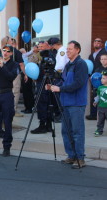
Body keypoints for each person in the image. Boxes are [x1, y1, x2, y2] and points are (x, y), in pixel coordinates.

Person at [49, 40, 88, 169]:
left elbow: (78, 83)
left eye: (70, 49)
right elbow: (64, 82)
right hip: (65, 103)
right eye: (67, 49)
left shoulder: (81, 64)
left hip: (76, 104)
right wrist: (54, 86)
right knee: (66, 131)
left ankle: (80, 158)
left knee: (77, 131)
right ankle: (71, 155)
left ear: (77, 50)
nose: (67, 51)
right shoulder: (68, 65)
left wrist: (60, 89)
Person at [30, 41, 56, 134]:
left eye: (42, 46)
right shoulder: (40, 55)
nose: (40, 48)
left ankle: (43, 126)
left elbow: (50, 68)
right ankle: (47, 125)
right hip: (42, 82)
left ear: (47, 46)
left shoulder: (49, 56)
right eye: (39, 46)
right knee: (45, 104)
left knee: (44, 104)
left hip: (46, 83)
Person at [1, 36, 28, 117]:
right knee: (15, 92)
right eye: (10, 40)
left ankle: (4, 109)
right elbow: (21, 64)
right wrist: (25, 74)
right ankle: (13, 110)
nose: (12, 41)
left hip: (2, 74)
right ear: (7, 42)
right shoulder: (15, 51)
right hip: (14, 75)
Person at [86, 38, 107, 120]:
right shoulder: (91, 55)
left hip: (104, 78)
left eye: (99, 41)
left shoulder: (104, 52)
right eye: (95, 41)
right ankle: (93, 114)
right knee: (95, 96)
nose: (97, 42)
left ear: (102, 44)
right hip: (95, 78)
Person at [93, 55, 107, 136]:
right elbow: (98, 96)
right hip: (101, 106)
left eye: (104, 78)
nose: (102, 79)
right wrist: (95, 101)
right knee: (100, 119)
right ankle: (99, 130)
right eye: (101, 78)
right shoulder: (100, 87)